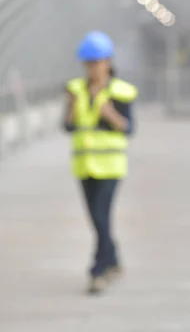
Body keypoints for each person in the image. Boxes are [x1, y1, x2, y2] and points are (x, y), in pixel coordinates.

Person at [63, 31, 138, 295]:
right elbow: (68, 126)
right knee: (95, 218)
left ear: (109, 61)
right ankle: (113, 260)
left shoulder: (120, 92)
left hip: (111, 166)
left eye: (98, 61)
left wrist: (110, 113)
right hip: (84, 165)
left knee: (101, 215)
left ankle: (98, 269)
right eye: (89, 62)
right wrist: (71, 107)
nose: (94, 67)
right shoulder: (75, 90)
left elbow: (129, 128)